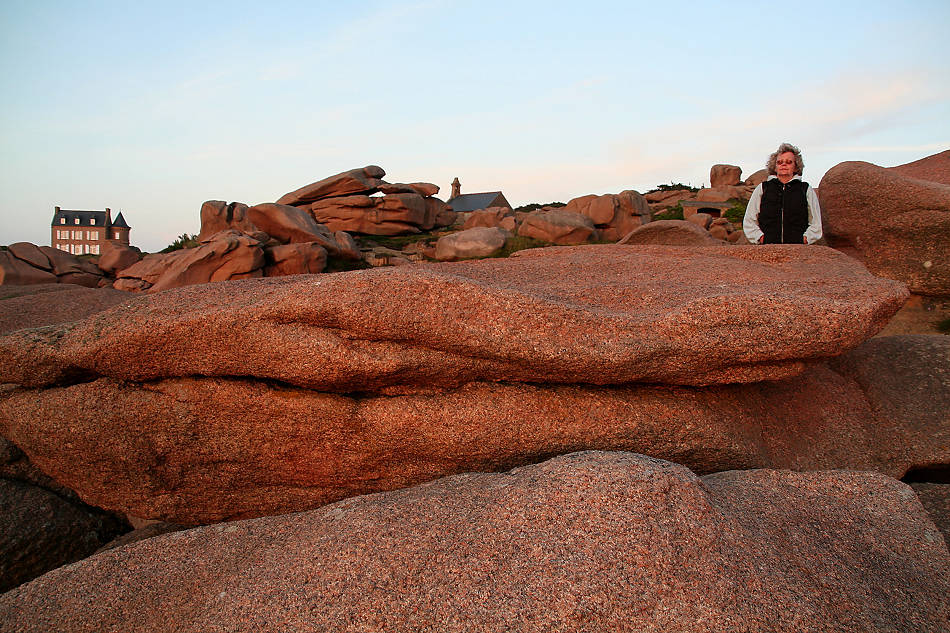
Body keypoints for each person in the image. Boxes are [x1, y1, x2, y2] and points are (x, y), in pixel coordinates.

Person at [743, 142, 822, 244]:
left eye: (789, 162)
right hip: (768, 248)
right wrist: (761, 238)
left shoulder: (805, 189)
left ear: (796, 166)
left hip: (797, 249)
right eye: (779, 162)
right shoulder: (763, 188)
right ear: (775, 167)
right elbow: (749, 220)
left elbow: (816, 222)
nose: (783, 164)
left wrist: (805, 239)